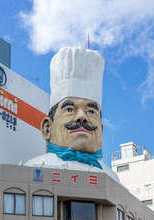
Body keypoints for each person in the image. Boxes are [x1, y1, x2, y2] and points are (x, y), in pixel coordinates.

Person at [24, 47, 119, 183]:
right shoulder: (34, 169)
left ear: (101, 131)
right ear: (47, 128)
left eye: (91, 112)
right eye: (69, 109)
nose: (82, 117)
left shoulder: (112, 178)